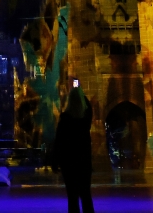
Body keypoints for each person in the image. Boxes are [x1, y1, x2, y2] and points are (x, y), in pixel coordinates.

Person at [52, 85, 95, 213]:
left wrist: (55, 161)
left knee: (72, 198)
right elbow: (90, 109)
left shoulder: (65, 119)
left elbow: (59, 142)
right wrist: (80, 92)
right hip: (83, 164)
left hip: (69, 164)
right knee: (86, 196)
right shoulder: (85, 121)